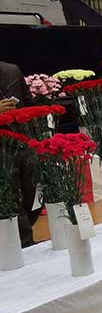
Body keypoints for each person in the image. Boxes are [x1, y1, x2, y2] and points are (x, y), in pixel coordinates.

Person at [0, 61, 39, 247]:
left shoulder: (12, 70)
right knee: (10, 197)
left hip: (22, 141)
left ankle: (24, 232)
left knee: (36, 189)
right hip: (2, 149)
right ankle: (23, 242)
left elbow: (29, 103)